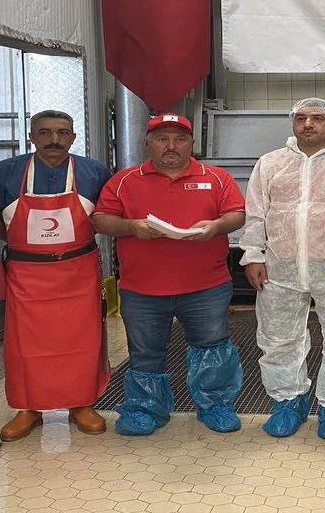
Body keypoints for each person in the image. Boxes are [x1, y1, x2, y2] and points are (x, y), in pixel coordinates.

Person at [93, 113, 247, 436]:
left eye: (180, 139)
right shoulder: (124, 180)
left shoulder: (216, 178)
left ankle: (215, 405)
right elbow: (101, 219)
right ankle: (145, 408)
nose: (171, 146)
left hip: (206, 287)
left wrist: (217, 226)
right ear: (147, 143)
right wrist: (131, 227)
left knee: (212, 345)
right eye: (162, 139)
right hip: (142, 289)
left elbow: (237, 214)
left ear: (192, 143)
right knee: (145, 352)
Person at [240, 98, 325, 441]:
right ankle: (288, 402)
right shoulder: (271, 163)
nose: (308, 124)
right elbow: (256, 212)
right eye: (301, 118)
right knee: (278, 339)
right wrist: (253, 255)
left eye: (317, 118)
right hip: (280, 268)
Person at [0, 110, 113, 441]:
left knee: (82, 341)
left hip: (78, 272)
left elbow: (108, 216)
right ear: (31, 136)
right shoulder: (5, 171)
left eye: (62, 132)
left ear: (73, 136)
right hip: (26, 274)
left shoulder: (95, 171)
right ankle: (28, 407)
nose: (54, 139)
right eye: (44, 132)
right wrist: (25, 246)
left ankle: (81, 403)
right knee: (24, 344)